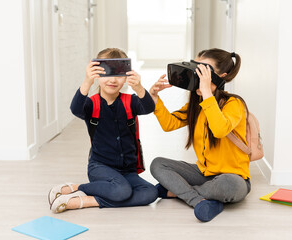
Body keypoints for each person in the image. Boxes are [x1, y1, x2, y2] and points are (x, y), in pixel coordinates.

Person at [48, 48, 158, 213]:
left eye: (119, 75)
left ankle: (90, 200)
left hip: (127, 171)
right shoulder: (92, 104)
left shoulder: (131, 102)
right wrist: (87, 81)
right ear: (97, 75)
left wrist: (140, 88)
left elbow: (148, 108)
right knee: (122, 191)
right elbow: (75, 109)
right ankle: (76, 189)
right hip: (100, 168)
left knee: (151, 193)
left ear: (126, 77)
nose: (112, 80)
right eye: (106, 73)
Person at [149, 48, 251, 222]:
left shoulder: (234, 104)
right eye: (195, 69)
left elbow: (219, 130)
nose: (197, 76)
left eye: (203, 72)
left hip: (232, 177)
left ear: (222, 76)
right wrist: (154, 97)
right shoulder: (196, 105)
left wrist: (206, 94)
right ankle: (201, 199)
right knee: (158, 164)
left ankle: (178, 192)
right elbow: (169, 124)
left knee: (230, 185)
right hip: (203, 173)